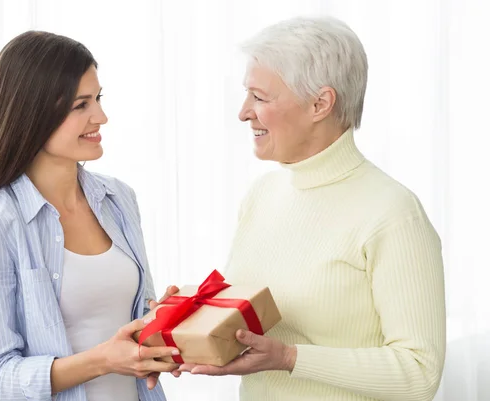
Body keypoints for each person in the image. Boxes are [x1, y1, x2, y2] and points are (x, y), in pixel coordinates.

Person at [176, 16, 446, 401]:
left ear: (320, 103)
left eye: (260, 97)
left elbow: (420, 374)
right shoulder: (262, 195)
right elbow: (252, 326)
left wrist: (290, 358)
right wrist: (185, 318)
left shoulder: (393, 213)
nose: (243, 112)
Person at [0, 31, 179, 401]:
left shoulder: (118, 199)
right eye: (80, 105)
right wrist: (102, 360)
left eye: (98, 98)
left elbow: (132, 326)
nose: (101, 116)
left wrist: (164, 323)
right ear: (32, 113)